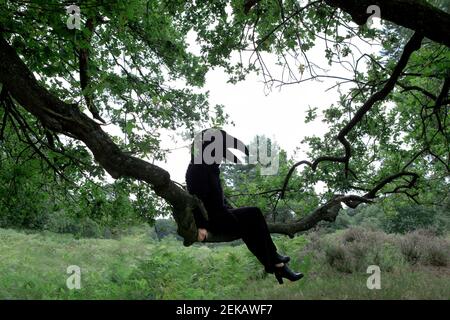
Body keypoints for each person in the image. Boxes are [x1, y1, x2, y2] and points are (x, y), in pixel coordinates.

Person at [185, 128, 303, 284]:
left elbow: (217, 197)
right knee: (253, 217)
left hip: (221, 214)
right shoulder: (198, 168)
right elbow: (196, 199)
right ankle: (275, 262)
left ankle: (277, 265)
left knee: (252, 219)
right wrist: (201, 226)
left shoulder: (211, 168)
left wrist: (230, 209)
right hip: (213, 220)